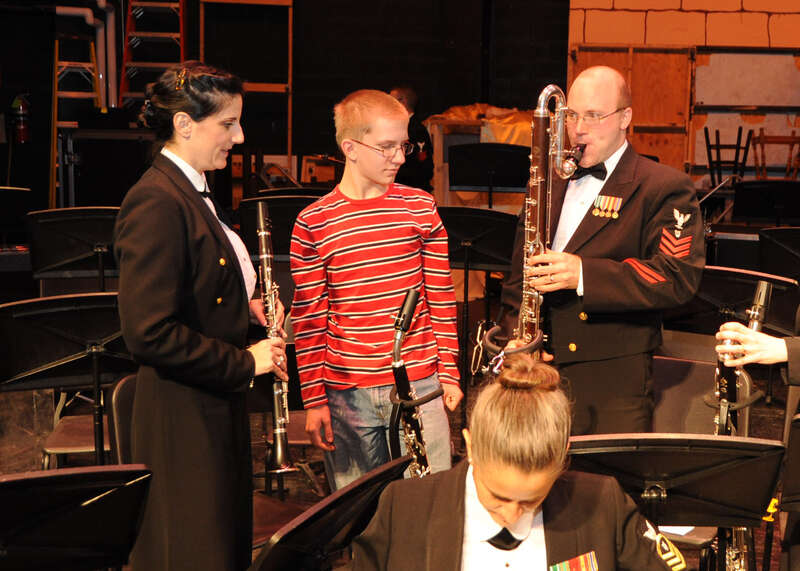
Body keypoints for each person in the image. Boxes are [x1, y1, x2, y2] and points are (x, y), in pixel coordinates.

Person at [114, 61, 288, 571]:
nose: (239, 135)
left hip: (209, 403)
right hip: (181, 414)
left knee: (220, 544)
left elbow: (199, 290)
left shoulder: (193, 191)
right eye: (227, 124)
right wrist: (244, 363)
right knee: (195, 551)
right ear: (184, 125)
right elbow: (148, 333)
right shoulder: (156, 201)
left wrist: (248, 310)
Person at [500, 65, 705, 435]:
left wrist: (583, 274)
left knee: (605, 489)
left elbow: (676, 278)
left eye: (594, 116)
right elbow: (520, 275)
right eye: (572, 115)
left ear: (625, 118)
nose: (578, 128)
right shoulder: (548, 180)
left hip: (611, 379)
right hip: (537, 369)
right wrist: (515, 339)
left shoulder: (663, 187)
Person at [352, 355, 687, 570]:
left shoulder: (602, 503)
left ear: (561, 464)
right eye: (498, 497)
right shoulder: (404, 508)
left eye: (531, 501)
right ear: (470, 446)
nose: (511, 516)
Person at [290, 89, 462, 490]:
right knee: (360, 514)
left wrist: (449, 372)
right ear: (350, 147)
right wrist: (314, 400)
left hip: (419, 385)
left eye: (402, 145)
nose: (399, 158)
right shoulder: (313, 222)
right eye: (386, 147)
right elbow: (310, 319)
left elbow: (440, 295)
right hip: (348, 393)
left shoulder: (419, 208)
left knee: (429, 504)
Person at [389, 86, 434, 191]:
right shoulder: (402, 127)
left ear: (402, 102)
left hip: (410, 191)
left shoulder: (415, 130)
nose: (387, 105)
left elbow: (422, 168)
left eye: (391, 101)